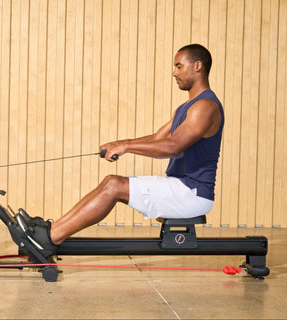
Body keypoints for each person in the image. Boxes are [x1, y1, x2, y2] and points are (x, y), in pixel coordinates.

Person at [15, 44, 224, 258]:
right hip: (181, 187)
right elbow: (156, 138)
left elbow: (173, 146)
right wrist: (121, 143)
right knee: (110, 182)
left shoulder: (205, 107)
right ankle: (50, 232)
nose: (174, 72)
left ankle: (49, 239)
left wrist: (126, 147)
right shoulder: (186, 108)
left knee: (113, 185)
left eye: (179, 66)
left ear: (198, 66)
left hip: (192, 193)